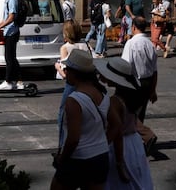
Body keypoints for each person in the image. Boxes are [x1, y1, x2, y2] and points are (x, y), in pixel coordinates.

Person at [50, 49, 123, 190]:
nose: (65, 71)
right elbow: (116, 124)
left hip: (78, 159)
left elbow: (73, 139)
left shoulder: (74, 100)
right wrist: (101, 143)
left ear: (74, 73)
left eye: (67, 69)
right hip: (100, 157)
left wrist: (61, 159)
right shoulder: (102, 93)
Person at [94, 57, 154, 190]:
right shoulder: (133, 97)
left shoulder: (115, 101)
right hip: (135, 142)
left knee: (118, 183)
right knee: (137, 179)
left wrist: (101, 147)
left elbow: (116, 131)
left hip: (120, 146)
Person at [121, 16, 158, 155]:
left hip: (134, 82)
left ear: (134, 27)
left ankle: (147, 136)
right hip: (147, 82)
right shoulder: (150, 44)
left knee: (128, 114)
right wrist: (153, 90)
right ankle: (138, 143)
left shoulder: (131, 43)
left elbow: (125, 66)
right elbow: (155, 71)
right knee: (139, 113)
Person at [54, 19, 90, 132]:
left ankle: (63, 141)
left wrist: (57, 67)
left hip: (72, 85)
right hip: (87, 84)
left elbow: (65, 74)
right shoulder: (86, 46)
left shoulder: (65, 48)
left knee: (63, 113)